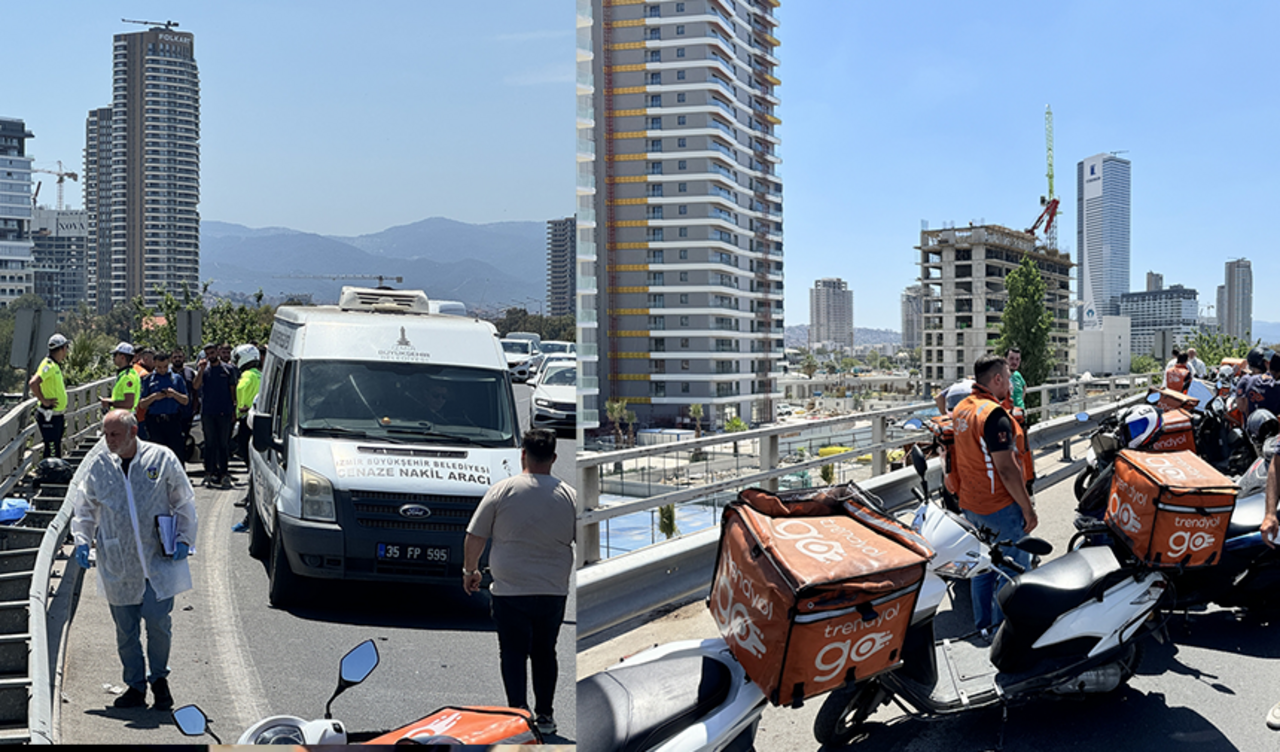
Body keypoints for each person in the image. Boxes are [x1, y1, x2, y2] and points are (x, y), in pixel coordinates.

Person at [68, 410, 197, 710]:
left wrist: (184, 539)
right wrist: (82, 541)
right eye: (105, 434)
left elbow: (183, 500)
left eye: (114, 434)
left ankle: (159, 680)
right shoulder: (100, 465)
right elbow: (86, 506)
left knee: (157, 622)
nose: (108, 440)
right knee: (126, 630)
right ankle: (135, 687)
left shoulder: (161, 459)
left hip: (157, 561)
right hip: (118, 561)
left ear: (133, 431)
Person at [463, 429, 574, 737]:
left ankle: (518, 714)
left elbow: (475, 535)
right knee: (544, 652)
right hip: (552, 590)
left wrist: (470, 570)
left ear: (522, 454)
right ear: (553, 458)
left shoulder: (502, 490)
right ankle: (546, 715)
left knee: (512, 652)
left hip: (510, 590)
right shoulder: (568, 495)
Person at [951, 354, 1037, 637]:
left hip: (971, 503)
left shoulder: (963, 408)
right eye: (1008, 378)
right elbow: (1007, 469)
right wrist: (1027, 508)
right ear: (997, 379)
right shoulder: (994, 415)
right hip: (998, 506)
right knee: (1011, 569)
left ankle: (983, 626)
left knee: (983, 566)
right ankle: (1004, 633)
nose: (1012, 385)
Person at [193, 342, 236, 489]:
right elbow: (195, 386)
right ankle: (208, 473)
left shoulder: (228, 369)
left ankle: (224, 474)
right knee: (209, 444)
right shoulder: (204, 370)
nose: (210, 356)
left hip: (224, 412)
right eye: (207, 354)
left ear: (217, 352)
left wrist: (233, 410)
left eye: (212, 352)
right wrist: (200, 370)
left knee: (223, 444)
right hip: (208, 412)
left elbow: (232, 391)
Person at [140, 352, 190, 463]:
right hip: (155, 420)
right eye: (159, 367)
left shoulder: (177, 379)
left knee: (176, 452)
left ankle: (177, 478)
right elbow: (142, 404)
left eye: (165, 367)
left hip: (173, 419)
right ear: (154, 364)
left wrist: (174, 394)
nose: (162, 370)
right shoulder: (148, 380)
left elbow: (185, 400)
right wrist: (153, 397)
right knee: (156, 453)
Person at [30, 333, 70, 459]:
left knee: (54, 447)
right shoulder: (48, 365)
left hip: (56, 415)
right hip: (49, 415)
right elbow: (33, 383)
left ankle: (52, 473)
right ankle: (50, 474)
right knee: (52, 448)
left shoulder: (55, 365)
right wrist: (44, 401)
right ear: (63, 348)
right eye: (66, 348)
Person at [233, 344, 262, 467]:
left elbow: (241, 388)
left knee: (244, 446)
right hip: (260, 415)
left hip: (247, 416)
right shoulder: (261, 374)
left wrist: (240, 406)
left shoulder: (247, 375)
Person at [1234, 347, 1280, 419]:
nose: (1268, 363)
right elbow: (1242, 407)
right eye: (1266, 362)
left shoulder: (1253, 380)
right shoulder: (1246, 380)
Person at [101, 343, 141, 415]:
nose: (113, 358)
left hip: (124, 417)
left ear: (122, 357)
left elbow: (128, 403)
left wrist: (109, 403)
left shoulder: (127, 377)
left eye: (115, 355)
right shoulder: (129, 373)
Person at [171, 348, 198, 456]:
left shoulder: (190, 372)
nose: (177, 359)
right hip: (172, 412)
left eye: (180, 357)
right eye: (175, 357)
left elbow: (195, 391)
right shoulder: (167, 373)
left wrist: (195, 408)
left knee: (185, 440)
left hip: (187, 413)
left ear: (184, 358)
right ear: (170, 359)